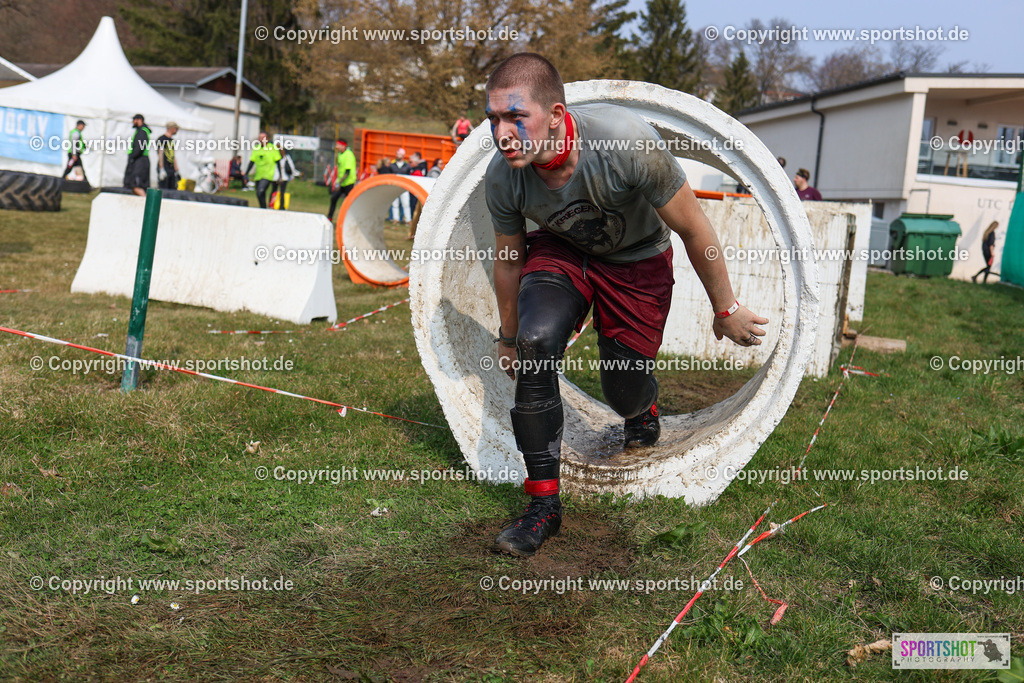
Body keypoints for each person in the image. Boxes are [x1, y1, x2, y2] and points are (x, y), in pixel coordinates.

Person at [484, 53, 767, 558]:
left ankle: (643, 408)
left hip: (637, 260)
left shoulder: (625, 142)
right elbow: (509, 259)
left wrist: (726, 309)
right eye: (494, 120)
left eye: (515, 117)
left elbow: (693, 226)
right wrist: (508, 337)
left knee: (623, 392)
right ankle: (542, 506)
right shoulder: (503, 176)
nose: (503, 133)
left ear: (554, 113)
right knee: (536, 342)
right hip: (563, 251)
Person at [245, 132, 282, 209]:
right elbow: (252, 162)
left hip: (268, 175)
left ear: (267, 139)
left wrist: (280, 176)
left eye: (263, 138)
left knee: (260, 191)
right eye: (260, 138)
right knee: (259, 194)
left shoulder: (273, 148)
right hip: (258, 175)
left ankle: (263, 208)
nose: (261, 140)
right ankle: (263, 208)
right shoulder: (256, 148)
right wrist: (246, 173)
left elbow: (278, 162)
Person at [327, 139, 357, 221]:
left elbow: (347, 172)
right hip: (342, 183)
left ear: (343, 146)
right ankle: (329, 217)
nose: (336, 147)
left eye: (338, 145)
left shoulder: (349, 155)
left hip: (349, 183)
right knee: (333, 198)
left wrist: (338, 183)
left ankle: (351, 220)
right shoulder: (340, 154)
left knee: (349, 203)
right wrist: (337, 182)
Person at [123, 114, 152, 197]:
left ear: (139, 120)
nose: (133, 122)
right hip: (140, 160)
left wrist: (132, 157)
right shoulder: (141, 130)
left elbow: (140, 147)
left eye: (134, 120)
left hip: (140, 161)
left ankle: (146, 204)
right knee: (134, 186)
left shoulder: (142, 131)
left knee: (136, 185)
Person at [273, 144, 299, 210]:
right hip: (280, 177)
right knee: (280, 192)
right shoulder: (286, 157)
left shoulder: (283, 157)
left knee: (275, 191)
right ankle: (279, 206)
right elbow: (292, 166)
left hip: (280, 177)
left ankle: (276, 205)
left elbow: (291, 167)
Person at [389, 148, 411, 223]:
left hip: (404, 187)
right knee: (395, 204)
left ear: (403, 155)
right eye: (397, 154)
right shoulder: (392, 165)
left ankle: (408, 219)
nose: (397, 156)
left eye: (399, 154)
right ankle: (396, 219)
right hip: (395, 186)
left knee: (406, 203)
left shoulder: (407, 166)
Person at [155, 122, 179, 190]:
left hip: (171, 168)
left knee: (172, 189)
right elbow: (160, 154)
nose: (177, 130)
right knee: (164, 189)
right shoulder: (162, 139)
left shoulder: (171, 140)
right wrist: (161, 168)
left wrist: (176, 169)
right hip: (165, 167)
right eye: (176, 128)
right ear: (171, 128)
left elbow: (173, 155)